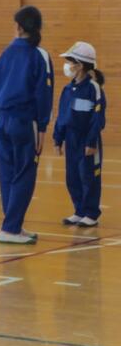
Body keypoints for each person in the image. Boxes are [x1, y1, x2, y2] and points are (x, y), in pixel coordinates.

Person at [0, 6, 54, 244]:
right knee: (24, 174)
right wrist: (42, 127)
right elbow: (43, 93)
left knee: (7, 173)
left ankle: (13, 225)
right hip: (25, 121)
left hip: (3, 120)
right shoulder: (39, 55)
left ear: (18, 27)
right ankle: (10, 228)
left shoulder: (6, 53)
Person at [54, 42, 106, 228]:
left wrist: (91, 142)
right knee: (73, 177)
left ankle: (91, 213)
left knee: (89, 176)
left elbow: (97, 118)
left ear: (80, 65)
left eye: (70, 62)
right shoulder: (67, 90)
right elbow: (62, 116)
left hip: (87, 140)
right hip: (71, 140)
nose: (67, 66)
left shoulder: (94, 88)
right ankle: (79, 210)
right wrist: (58, 138)